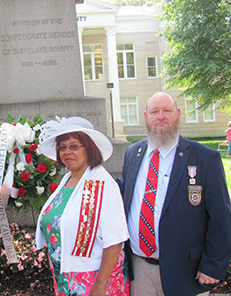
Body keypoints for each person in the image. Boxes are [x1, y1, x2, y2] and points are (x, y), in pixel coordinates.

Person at [118, 91, 231, 296]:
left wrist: (212, 265)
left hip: (186, 272)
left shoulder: (205, 158)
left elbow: (221, 218)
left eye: (166, 110)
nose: (160, 116)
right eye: (154, 111)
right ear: (146, 117)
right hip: (139, 271)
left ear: (178, 114)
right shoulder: (132, 154)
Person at [36, 117, 129, 296]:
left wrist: (100, 286)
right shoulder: (67, 181)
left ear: (90, 148)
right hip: (65, 280)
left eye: (74, 145)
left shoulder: (103, 184)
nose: (67, 152)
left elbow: (115, 241)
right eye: (62, 147)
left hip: (94, 283)